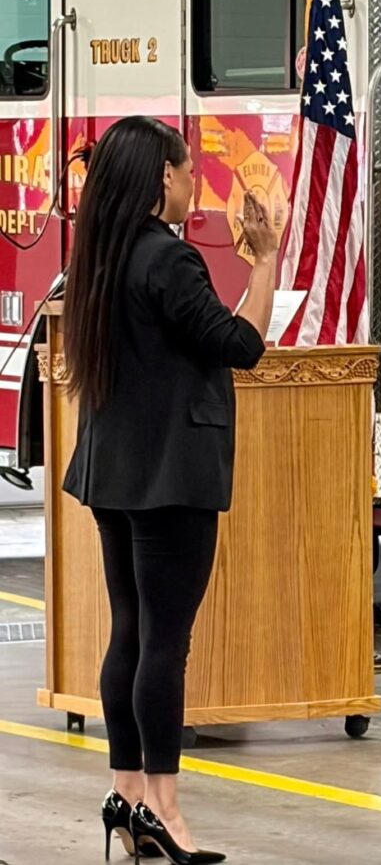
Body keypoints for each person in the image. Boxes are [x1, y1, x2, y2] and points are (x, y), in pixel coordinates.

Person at [62, 116, 277, 864]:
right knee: (166, 644)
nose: (195, 186)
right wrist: (264, 263)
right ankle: (165, 809)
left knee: (130, 629)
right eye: (189, 173)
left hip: (113, 468)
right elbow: (242, 345)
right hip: (171, 476)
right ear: (163, 177)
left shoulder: (99, 251)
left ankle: (125, 799)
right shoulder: (169, 261)